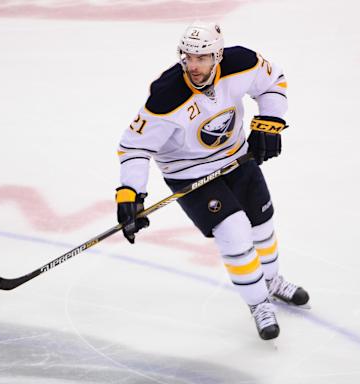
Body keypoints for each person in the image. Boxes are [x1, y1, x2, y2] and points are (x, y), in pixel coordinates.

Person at [115, 21, 309, 340]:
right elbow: (135, 146)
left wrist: (270, 122)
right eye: (188, 57)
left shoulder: (241, 63)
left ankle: (272, 281)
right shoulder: (167, 97)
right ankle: (259, 303)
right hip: (188, 172)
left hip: (237, 156)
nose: (193, 65)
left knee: (262, 224)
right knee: (233, 232)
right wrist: (129, 193)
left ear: (217, 56)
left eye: (202, 58)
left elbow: (273, 81)